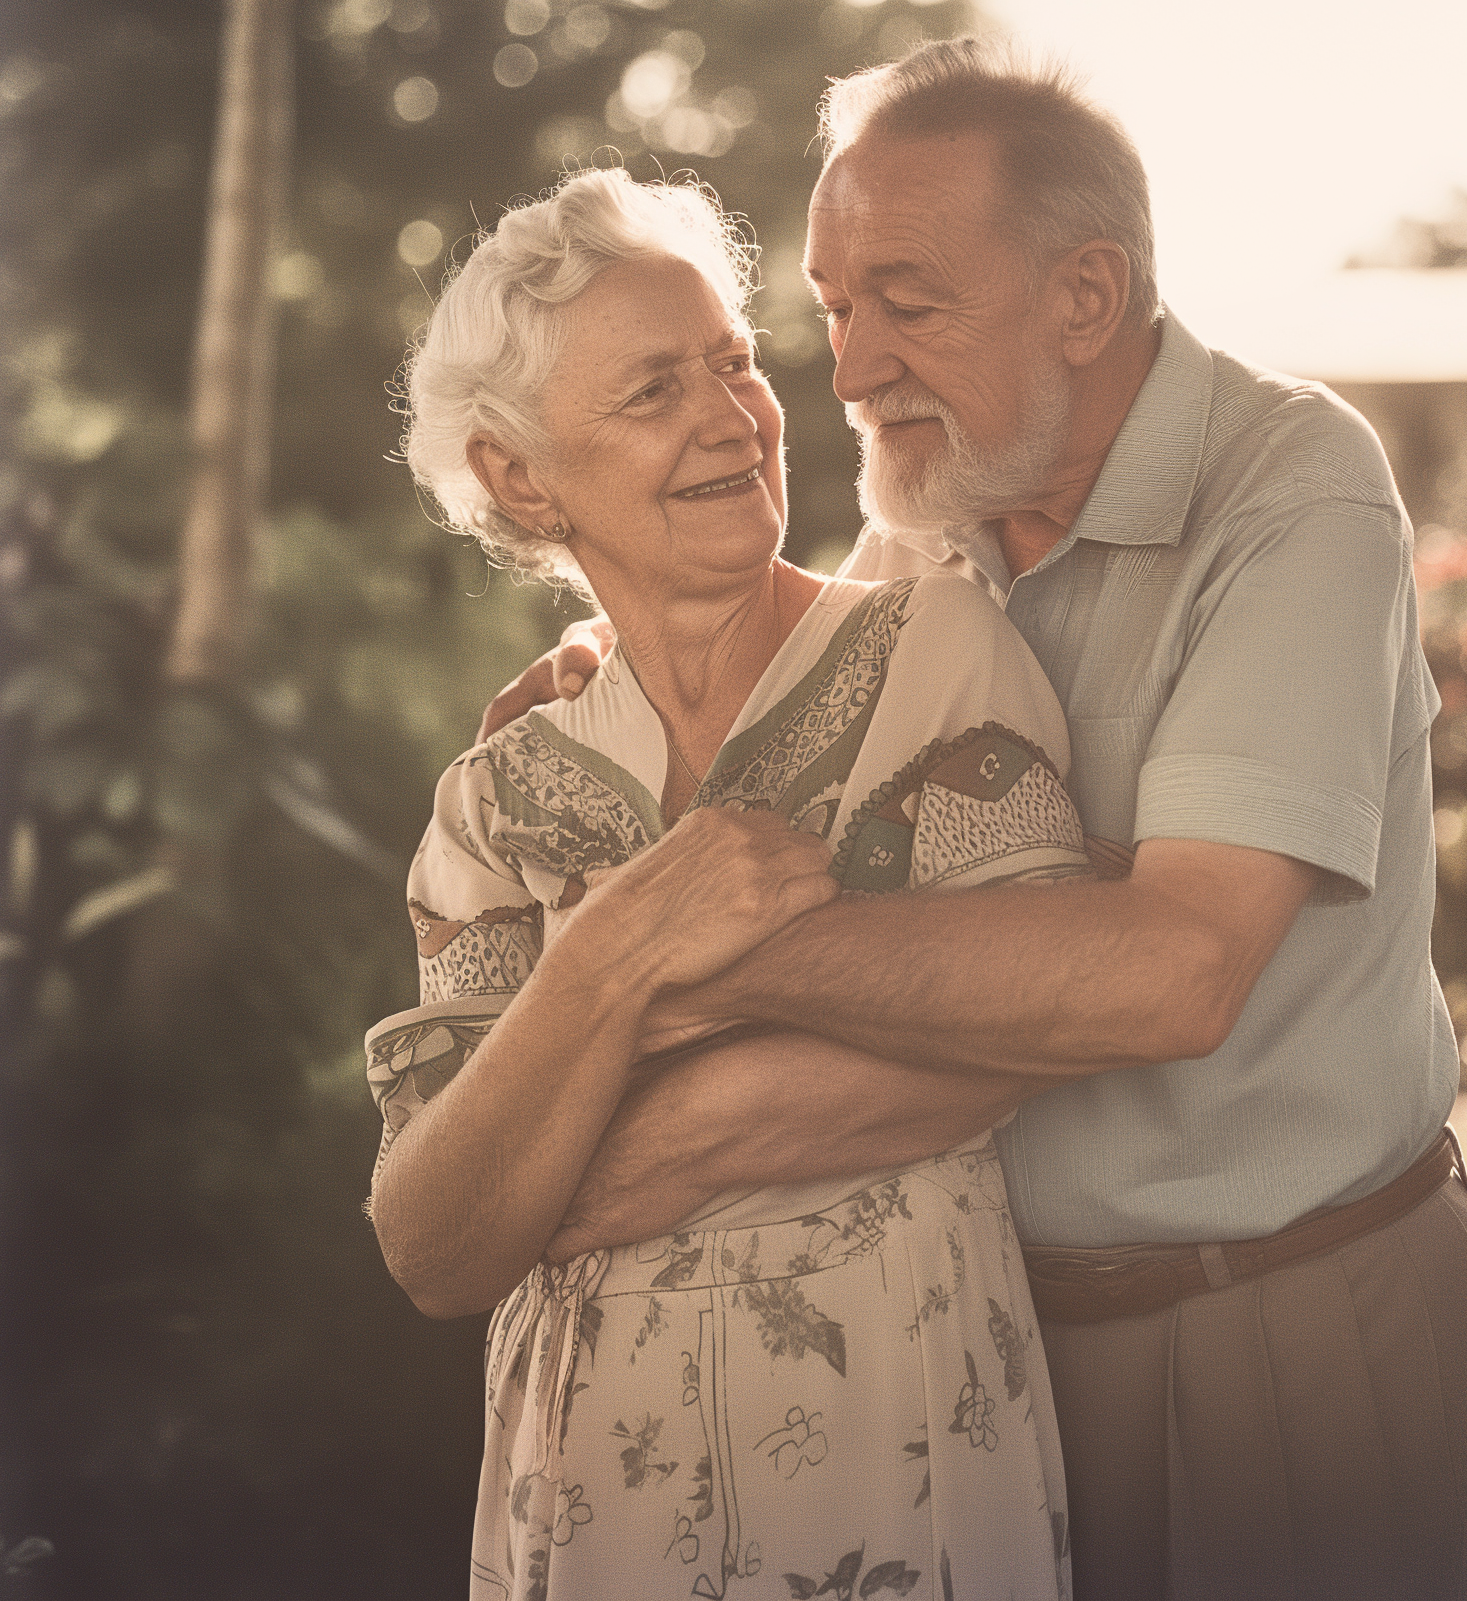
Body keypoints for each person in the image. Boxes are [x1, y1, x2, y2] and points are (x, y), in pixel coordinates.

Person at [492, 40, 1467, 1601]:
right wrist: (640, 671)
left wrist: (696, 961)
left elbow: (1171, 973)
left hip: (1284, 1320)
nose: (846, 366)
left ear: (1085, 298)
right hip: (993, 1349)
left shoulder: (1295, 491)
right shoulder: (928, 525)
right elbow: (789, 705)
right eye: (834, 307)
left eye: (909, 300)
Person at [364, 167, 1090, 1601]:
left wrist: (578, 1120)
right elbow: (437, 1241)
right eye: (651, 392)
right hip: (590, 1495)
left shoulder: (937, 658)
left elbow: (1020, 1040)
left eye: (735, 363)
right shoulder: (495, 803)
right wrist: (616, 957)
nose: (732, 418)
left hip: (902, 1431)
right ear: (521, 476)